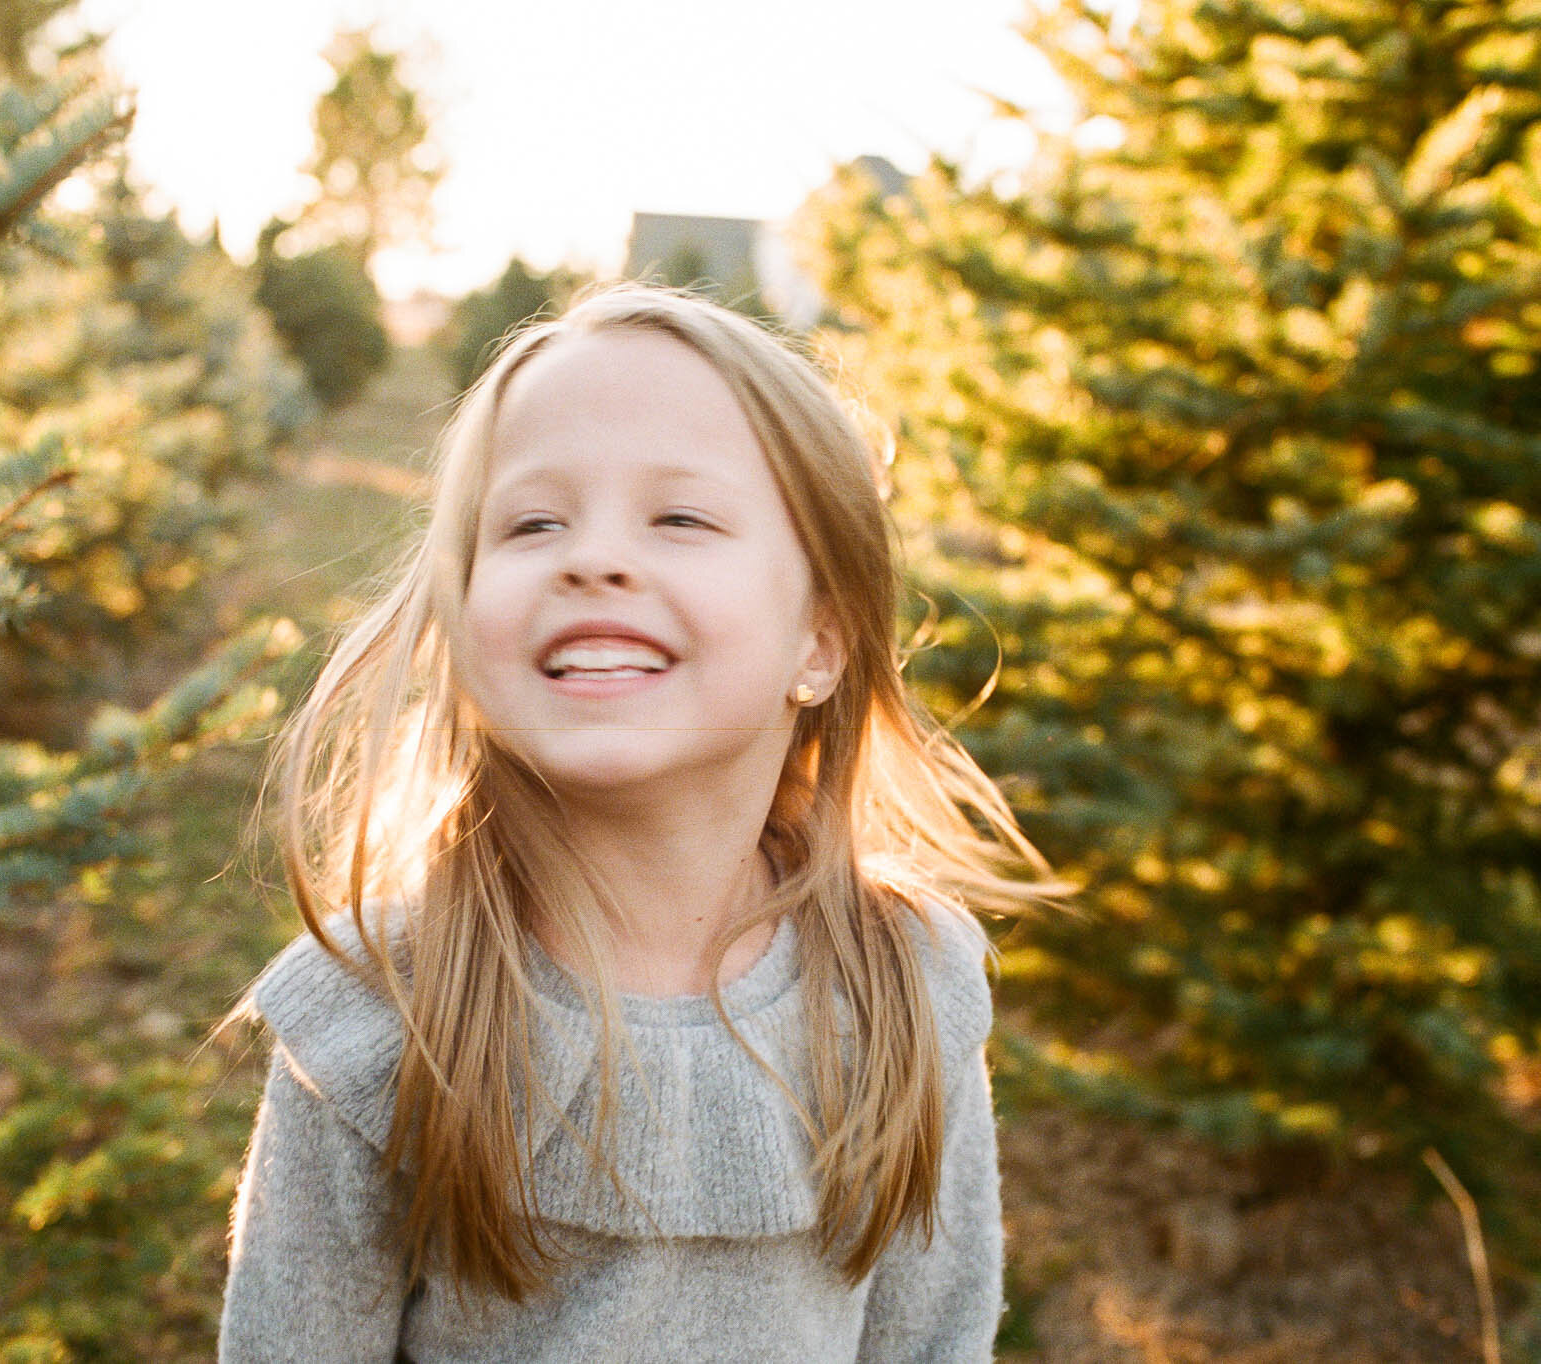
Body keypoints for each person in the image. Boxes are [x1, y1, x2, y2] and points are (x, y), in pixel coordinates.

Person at [218, 282, 1068, 1363]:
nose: (590, 557)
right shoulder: (380, 1015)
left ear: (819, 637)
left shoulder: (906, 987)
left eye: (679, 517)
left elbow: (931, 1340)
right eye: (531, 522)